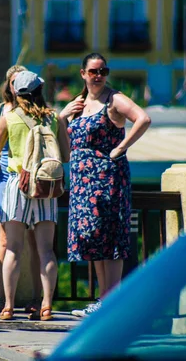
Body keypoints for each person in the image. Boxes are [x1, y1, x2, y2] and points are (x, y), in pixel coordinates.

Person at [59, 52, 151, 317]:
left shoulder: (114, 99)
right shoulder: (78, 103)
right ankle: (103, 300)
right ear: (83, 74)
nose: (98, 76)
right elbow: (63, 141)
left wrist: (121, 147)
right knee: (94, 239)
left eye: (103, 71)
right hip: (81, 183)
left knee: (110, 238)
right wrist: (63, 117)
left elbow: (143, 119)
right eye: (93, 71)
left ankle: (111, 302)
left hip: (107, 179)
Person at [0, 71, 70, 321]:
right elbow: (65, 156)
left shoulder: (9, 117)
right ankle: (46, 306)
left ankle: (8, 306)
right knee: (46, 250)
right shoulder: (54, 119)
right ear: (39, 91)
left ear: (16, 92)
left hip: (18, 184)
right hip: (46, 187)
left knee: (13, 248)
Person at [0, 65, 42, 314]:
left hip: (29, 178)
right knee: (7, 240)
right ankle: (5, 298)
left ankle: (36, 298)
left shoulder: (37, 111)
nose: (17, 85)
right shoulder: (1, 111)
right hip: (6, 177)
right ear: (8, 85)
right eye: (14, 81)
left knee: (36, 241)